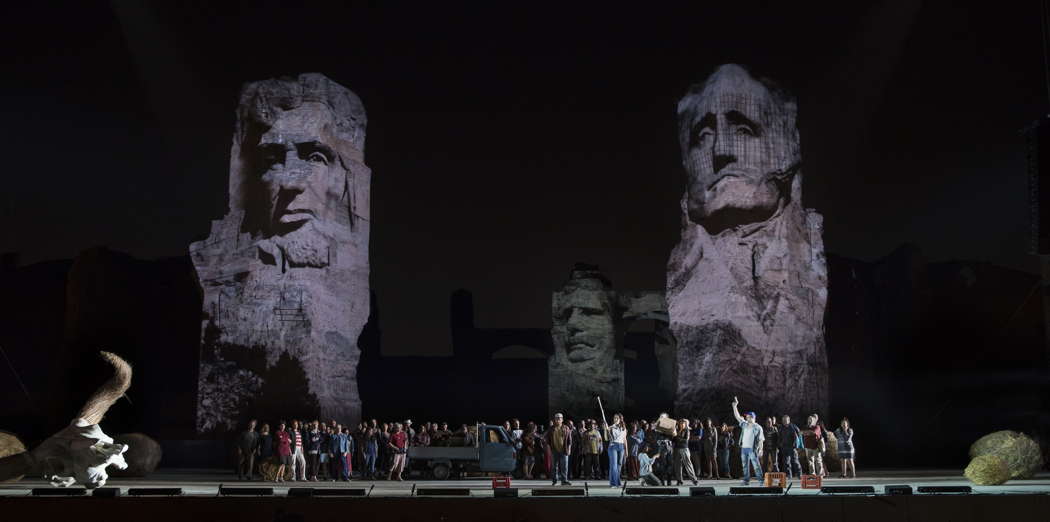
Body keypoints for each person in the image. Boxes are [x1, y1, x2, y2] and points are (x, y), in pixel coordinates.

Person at [730, 396, 764, 486]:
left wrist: (761, 449)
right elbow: (737, 417)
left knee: (756, 465)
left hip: (752, 449)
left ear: (753, 417)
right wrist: (735, 406)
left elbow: (761, 439)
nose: (747, 418)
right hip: (744, 448)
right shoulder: (744, 424)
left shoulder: (758, 427)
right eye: (747, 417)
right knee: (745, 466)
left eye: (749, 417)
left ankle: (761, 480)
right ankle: (746, 480)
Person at [543, 412, 574, 486]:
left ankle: (564, 480)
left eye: (559, 418)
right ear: (554, 419)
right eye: (556, 418)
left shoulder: (566, 428)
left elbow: (570, 440)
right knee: (554, 467)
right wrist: (549, 449)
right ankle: (555, 480)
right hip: (554, 450)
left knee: (564, 466)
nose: (558, 420)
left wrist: (569, 449)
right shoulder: (551, 429)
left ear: (562, 419)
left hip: (564, 450)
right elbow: (547, 440)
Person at [671, 418, 699, 486]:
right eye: (680, 423)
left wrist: (676, 436)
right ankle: (679, 480)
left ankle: (694, 480)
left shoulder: (687, 430)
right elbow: (674, 440)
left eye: (683, 423)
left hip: (684, 449)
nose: (681, 424)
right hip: (677, 449)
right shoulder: (677, 430)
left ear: (685, 424)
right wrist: (673, 436)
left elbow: (685, 440)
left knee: (688, 464)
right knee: (678, 465)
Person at [603, 413, 627, 487]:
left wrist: (626, 451)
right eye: (614, 418)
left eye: (617, 418)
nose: (615, 419)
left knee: (619, 465)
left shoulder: (624, 428)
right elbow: (606, 438)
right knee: (614, 466)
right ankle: (614, 483)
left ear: (620, 419)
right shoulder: (610, 427)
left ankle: (616, 481)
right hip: (613, 446)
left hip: (621, 447)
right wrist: (605, 429)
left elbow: (624, 439)